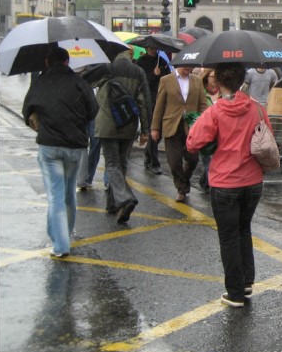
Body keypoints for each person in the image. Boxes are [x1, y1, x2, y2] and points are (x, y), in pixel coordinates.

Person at [185, 62, 265, 308]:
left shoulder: (215, 112)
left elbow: (192, 143)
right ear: (243, 80)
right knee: (244, 229)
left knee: (229, 236)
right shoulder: (257, 109)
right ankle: (247, 281)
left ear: (217, 82)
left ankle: (235, 293)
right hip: (253, 182)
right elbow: (266, 136)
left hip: (225, 184)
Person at [22, 47, 99, 257]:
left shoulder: (40, 83)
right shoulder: (79, 83)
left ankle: (60, 244)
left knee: (55, 195)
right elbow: (93, 110)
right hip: (75, 147)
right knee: (68, 192)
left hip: (49, 147)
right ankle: (66, 232)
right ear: (67, 62)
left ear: (47, 62)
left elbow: (26, 111)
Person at [87, 49, 152, 224]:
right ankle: (113, 204)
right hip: (129, 125)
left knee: (112, 164)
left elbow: (86, 83)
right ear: (129, 55)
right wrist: (146, 129)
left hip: (107, 125)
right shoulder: (138, 72)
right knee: (121, 163)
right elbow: (144, 101)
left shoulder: (107, 68)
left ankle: (124, 199)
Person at [151, 66, 208, 202]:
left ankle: (185, 179)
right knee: (174, 161)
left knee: (193, 159)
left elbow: (202, 104)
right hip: (172, 125)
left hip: (191, 126)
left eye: (190, 67)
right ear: (178, 66)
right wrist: (155, 127)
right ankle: (181, 189)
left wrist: (205, 122)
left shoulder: (197, 81)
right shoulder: (166, 80)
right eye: (185, 67)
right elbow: (159, 105)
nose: (188, 69)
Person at [136, 46, 171, 175]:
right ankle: (153, 162)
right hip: (148, 100)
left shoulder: (161, 61)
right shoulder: (141, 61)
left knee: (158, 131)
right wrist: (153, 74)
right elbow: (142, 81)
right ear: (146, 48)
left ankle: (148, 156)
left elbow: (168, 79)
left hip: (161, 99)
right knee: (153, 130)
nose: (153, 49)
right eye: (151, 47)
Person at [195, 68, 220, 192]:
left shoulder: (223, 92)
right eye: (212, 77)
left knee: (216, 161)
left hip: (220, 133)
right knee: (208, 161)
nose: (215, 79)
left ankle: (206, 182)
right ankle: (212, 185)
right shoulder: (201, 92)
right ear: (206, 78)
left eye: (217, 77)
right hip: (206, 132)